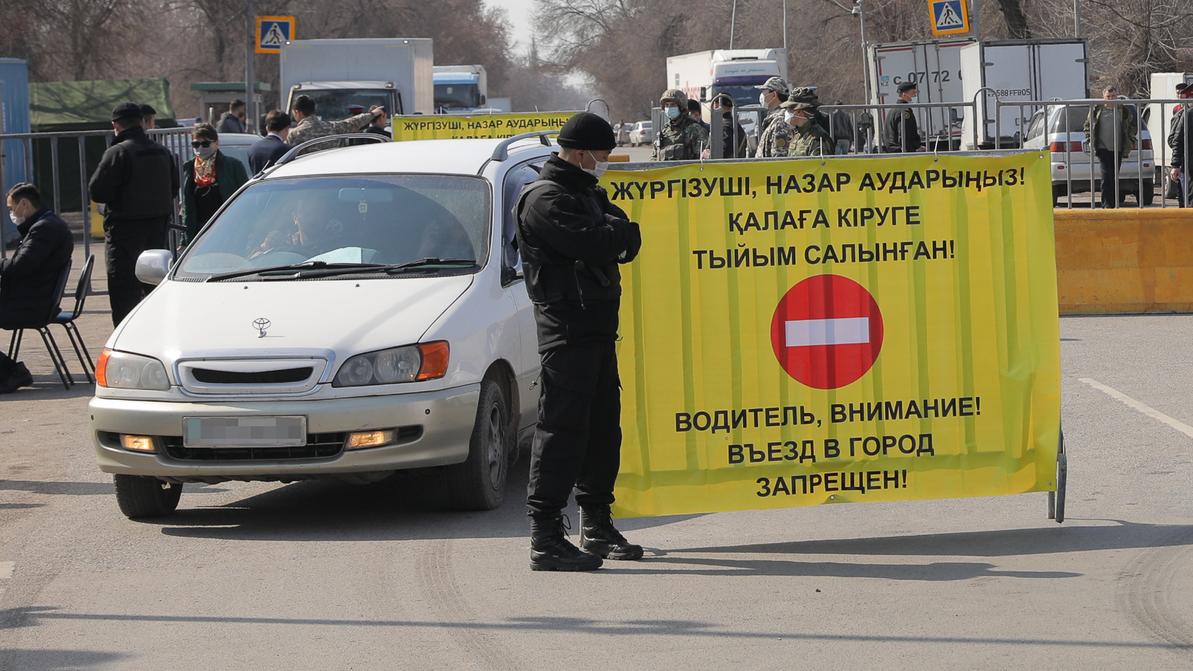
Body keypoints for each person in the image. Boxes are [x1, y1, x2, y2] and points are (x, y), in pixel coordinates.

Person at [515, 112, 643, 572]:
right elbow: (597, 243)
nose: (605, 161)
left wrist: (615, 236)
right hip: (566, 330)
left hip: (596, 328)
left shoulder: (584, 192)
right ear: (580, 151)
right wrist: (614, 237)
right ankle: (546, 536)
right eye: (602, 153)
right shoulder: (545, 199)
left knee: (603, 428)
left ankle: (596, 524)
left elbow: (627, 236)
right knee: (561, 431)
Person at [89, 102, 178, 327]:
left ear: (115, 125)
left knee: (124, 300)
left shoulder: (117, 153)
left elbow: (97, 191)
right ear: (142, 122)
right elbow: (173, 188)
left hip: (124, 239)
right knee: (155, 296)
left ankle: (126, 348)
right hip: (157, 238)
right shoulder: (163, 152)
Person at [0, 183, 73, 393]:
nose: (11, 213)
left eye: (11, 208)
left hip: (31, 305)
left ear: (24, 204)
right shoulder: (45, 224)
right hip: (32, 299)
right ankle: (9, 370)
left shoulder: (44, 229)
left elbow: (20, 266)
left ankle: (12, 372)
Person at [181, 124, 249, 243]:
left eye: (205, 144)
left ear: (216, 143)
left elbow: (246, 200)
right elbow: (188, 208)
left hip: (228, 230)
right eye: (196, 144)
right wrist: (185, 240)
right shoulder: (189, 168)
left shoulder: (232, 166)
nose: (200, 148)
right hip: (200, 233)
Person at [1083, 85, 1137, 208]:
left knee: (1114, 176)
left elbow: (1131, 127)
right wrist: (1090, 139)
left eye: (1113, 96)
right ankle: (1106, 204)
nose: (1111, 99)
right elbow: (1087, 125)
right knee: (1106, 176)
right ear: (1103, 97)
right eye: (1108, 96)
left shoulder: (1123, 110)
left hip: (1118, 148)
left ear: (1117, 96)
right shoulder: (1097, 110)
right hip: (1103, 148)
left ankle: (1113, 203)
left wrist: (1130, 139)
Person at [287, 95, 383, 150]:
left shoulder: (294, 134)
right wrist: (373, 114)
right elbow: (353, 122)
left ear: (297, 112)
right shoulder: (332, 127)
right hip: (332, 174)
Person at [654, 89, 708, 161]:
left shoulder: (694, 129)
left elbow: (703, 159)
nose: (669, 108)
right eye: (667, 105)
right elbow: (654, 158)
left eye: (673, 105)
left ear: (681, 107)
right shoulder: (664, 132)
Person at [754, 76, 793, 157]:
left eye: (764, 92)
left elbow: (779, 157)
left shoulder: (781, 121)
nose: (762, 96)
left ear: (774, 95)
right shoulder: (774, 118)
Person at [886, 81, 921, 152]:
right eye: (913, 93)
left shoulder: (894, 109)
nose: (915, 95)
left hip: (894, 150)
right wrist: (913, 149)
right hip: (902, 151)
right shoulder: (904, 111)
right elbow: (904, 134)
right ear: (904, 94)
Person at [711, 94, 747, 159]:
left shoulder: (723, 126)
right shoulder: (736, 125)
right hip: (737, 165)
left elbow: (723, 152)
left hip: (723, 167)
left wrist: (708, 154)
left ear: (716, 105)